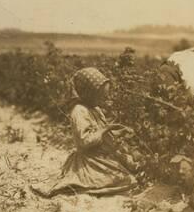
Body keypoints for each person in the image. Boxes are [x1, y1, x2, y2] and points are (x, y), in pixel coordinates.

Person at [30, 67, 138, 198]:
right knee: (124, 180)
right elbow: (85, 142)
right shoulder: (79, 111)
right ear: (88, 93)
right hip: (90, 160)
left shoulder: (95, 108)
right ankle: (76, 187)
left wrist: (119, 132)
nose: (105, 99)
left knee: (127, 173)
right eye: (101, 97)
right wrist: (106, 129)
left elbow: (101, 135)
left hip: (101, 156)